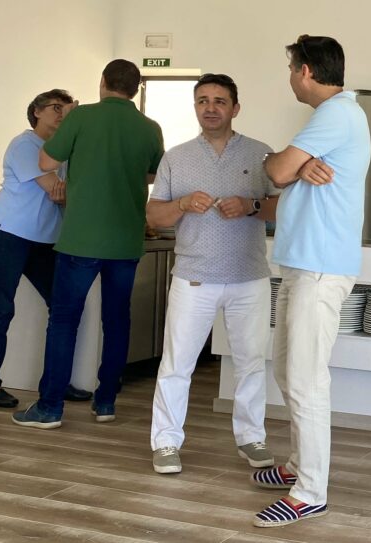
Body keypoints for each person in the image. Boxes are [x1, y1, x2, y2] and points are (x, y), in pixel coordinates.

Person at [249, 35, 370, 528]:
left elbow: (276, 170)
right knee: (287, 371)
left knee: (306, 379)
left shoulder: (337, 113)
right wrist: (296, 168)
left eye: (290, 69)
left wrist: (291, 167)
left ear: (304, 70)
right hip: (303, 266)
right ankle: (299, 465)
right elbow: (278, 171)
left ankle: (310, 492)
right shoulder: (335, 116)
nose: (290, 79)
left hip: (319, 268)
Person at [12, 59, 164, 429]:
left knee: (64, 320)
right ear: (136, 88)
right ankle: (106, 401)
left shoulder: (81, 117)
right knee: (117, 320)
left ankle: (50, 407)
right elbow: (154, 173)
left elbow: (46, 161)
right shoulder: (150, 127)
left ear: (103, 82)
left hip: (81, 239)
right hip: (125, 241)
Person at [146, 73, 280, 474]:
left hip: (249, 276)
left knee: (251, 362)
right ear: (195, 107)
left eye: (219, 101)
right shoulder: (176, 157)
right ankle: (166, 442)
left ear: (235, 108)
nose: (210, 108)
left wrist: (251, 206)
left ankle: (252, 437)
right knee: (177, 364)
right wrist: (182, 204)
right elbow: (154, 216)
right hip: (193, 276)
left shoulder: (261, 154)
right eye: (202, 100)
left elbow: (281, 207)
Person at [0, 89, 88, 408]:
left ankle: (55, 383)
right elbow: (55, 190)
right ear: (36, 112)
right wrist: (65, 190)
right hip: (7, 234)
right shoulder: (25, 145)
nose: (62, 115)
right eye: (56, 108)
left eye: (67, 110)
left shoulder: (62, 153)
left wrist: (67, 191)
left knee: (64, 306)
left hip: (43, 241)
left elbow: (67, 194)